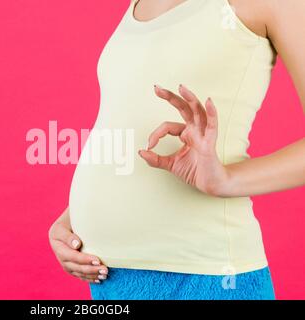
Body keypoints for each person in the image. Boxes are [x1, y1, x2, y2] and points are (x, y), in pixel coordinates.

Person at [49, 0, 305, 300]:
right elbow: (129, 124)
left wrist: (227, 180)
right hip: (111, 277)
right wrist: (70, 220)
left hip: (206, 277)